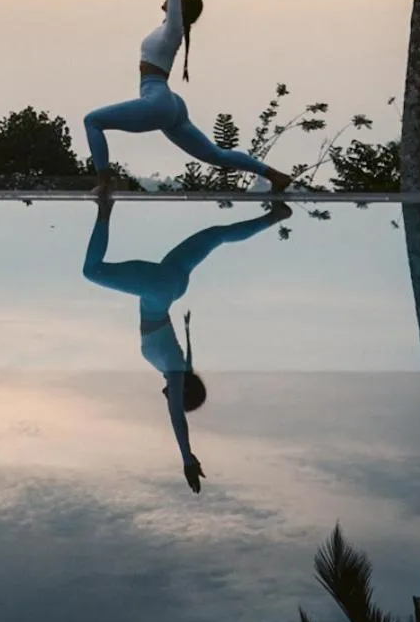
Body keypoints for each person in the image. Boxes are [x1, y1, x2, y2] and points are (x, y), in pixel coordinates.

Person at [82, 184, 292, 491]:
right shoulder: (175, 371)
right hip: (157, 289)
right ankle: (104, 206)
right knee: (92, 271)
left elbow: (189, 359)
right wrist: (187, 458)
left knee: (216, 235)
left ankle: (276, 216)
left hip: (175, 285)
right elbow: (178, 420)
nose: (168, 400)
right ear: (183, 394)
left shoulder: (179, 367)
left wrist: (190, 330)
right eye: (178, 401)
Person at [83, 0, 292, 191]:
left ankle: (103, 182)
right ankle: (276, 175)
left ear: (179, 8)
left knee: (93, 121)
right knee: (215, 155)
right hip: (169, 103)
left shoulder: (173, 29)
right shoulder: (168, 31)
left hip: (158, 100)